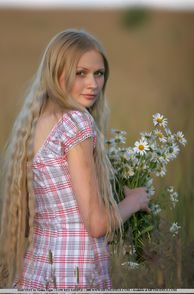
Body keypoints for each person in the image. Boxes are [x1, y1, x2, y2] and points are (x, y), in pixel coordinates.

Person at [0, 28, 150, 290]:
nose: (92, 84)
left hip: (39, 267)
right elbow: (96, 224)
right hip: (75, 269)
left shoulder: (37, 121)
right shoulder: (76, 123)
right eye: (80, 73)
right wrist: (135, 200)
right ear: (56, 71)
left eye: (99, 73)